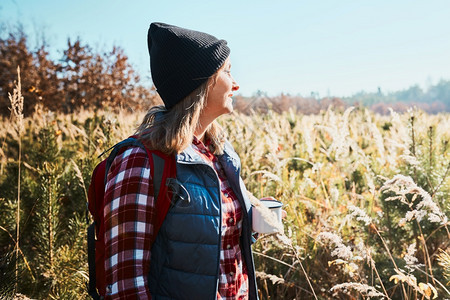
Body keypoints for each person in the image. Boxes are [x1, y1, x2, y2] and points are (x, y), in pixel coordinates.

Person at [103, 22, 258, 299]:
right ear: (200, 83)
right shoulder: (140, 161)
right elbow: (126, 285)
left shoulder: (218, 154)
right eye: (227, 71)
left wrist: (252, 221)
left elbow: (214, 245)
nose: (235, 84)